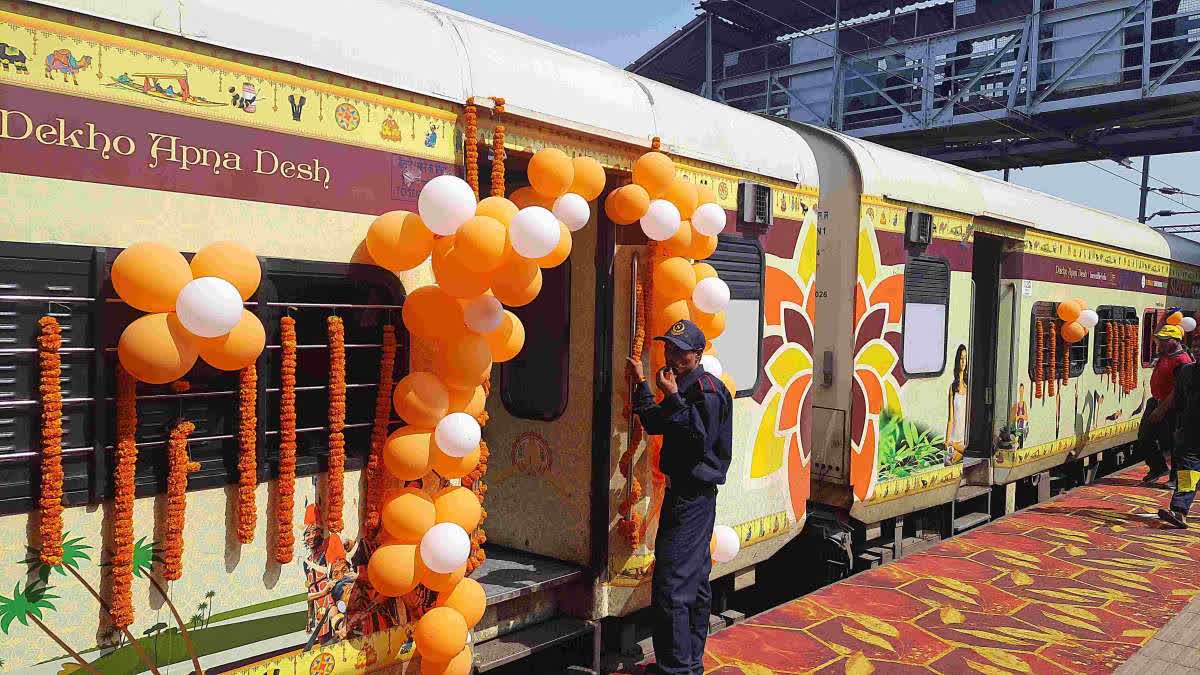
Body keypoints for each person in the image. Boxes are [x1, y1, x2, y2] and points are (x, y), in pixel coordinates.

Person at [625, 319, 732, 675]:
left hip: (694, 498)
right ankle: (689, 664)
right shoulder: (683, 385)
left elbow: (696, 441)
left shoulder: (706, 391)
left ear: (698, 355)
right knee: (693, 582)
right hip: (682, 495)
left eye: (680, 351)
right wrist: (641, 382)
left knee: (673, 585)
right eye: (668, 348)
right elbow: (657, 423)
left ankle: (678, 669)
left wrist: (672, 396)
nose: (671, 355)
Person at [1140, 324, 1193, 487]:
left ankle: (1176, 479)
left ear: (1176, 341)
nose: (1160, 343)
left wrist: (1161, 409)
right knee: (1144, 437)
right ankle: (1157, 468)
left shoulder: (1182, 360)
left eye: (1164, 340)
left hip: (1173, 406)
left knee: (1175, 443)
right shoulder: (1165, 353)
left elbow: (1177, 389)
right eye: (1159, 340)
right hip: (1156, 400)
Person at [1149, 359, 1199, 528]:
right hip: (1191, 432)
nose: (1198, 347)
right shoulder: (1186, 372)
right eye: (1197, 343)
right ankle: (1180, 510)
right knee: (1187, 471)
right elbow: (1179, 401)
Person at [945, 345, 968, 465]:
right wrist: (947, 440)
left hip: (963, 441)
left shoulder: (968, 387)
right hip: (954, 439)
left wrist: (953, 444)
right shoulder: (952, 388)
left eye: (965, 358)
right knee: (950, 463)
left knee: (962, 455)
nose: (963, 362)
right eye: (961, 358)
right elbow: (950, 419)